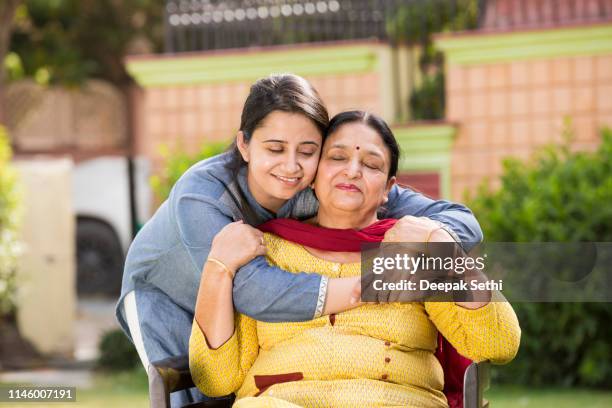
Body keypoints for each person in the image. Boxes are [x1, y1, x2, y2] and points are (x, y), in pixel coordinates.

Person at [116, 74, 483, 405]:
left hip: (237, 303)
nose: (291, 167)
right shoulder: (203, 197)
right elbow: (253, 291)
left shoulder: (319, 183)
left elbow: (460, 221)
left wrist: (434, 237)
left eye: (307, 152)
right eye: (275, 149)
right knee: (195, 394)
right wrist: (362, 287)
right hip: (164, 296)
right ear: (244, 145)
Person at [190, 111, 520, 407]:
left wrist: (442, 246)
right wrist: (218, 266)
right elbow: (217, 378)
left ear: (389, 187)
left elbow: (497, 341)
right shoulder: (268, 250)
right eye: (337, 157)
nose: (352, 170)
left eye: (372, 165)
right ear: (314, 174)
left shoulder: (413, 250)